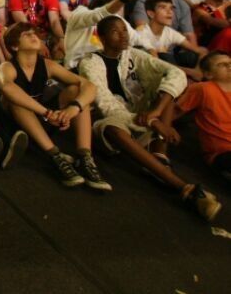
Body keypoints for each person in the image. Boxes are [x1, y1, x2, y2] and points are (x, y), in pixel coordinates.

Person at [78, 16, 222, 220]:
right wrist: (154, 122)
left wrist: (155, 112)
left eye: (125, 30)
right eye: (115, 31)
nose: (123, 35)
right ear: (101, 37)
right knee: (111, 127)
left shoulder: (134, 55)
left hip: (145, 117)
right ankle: (184, 188)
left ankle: (159, 155)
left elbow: (175, 74)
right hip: (119, 121)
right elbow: (106, 104)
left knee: (167, 90)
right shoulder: (90, 62)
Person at [0, 22, 111, 191]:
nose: (34, 36)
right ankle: (55, 156)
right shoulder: (7, 67)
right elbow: (6, 87)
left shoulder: (48, 65)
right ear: (14, 46)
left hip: (38, 121)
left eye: (34, 33)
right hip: (11, 125)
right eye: (26, 35)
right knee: (17, 100)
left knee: (76, 90)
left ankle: (85, 157)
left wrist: (73, 108)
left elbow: (89, 86)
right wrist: (47, 113)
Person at [177, 52, 231, 186]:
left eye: (230, 63)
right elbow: (174, 111)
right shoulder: (203, 88)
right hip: (222, 152)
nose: (229, 66)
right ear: (208, 74)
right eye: (222, 65)